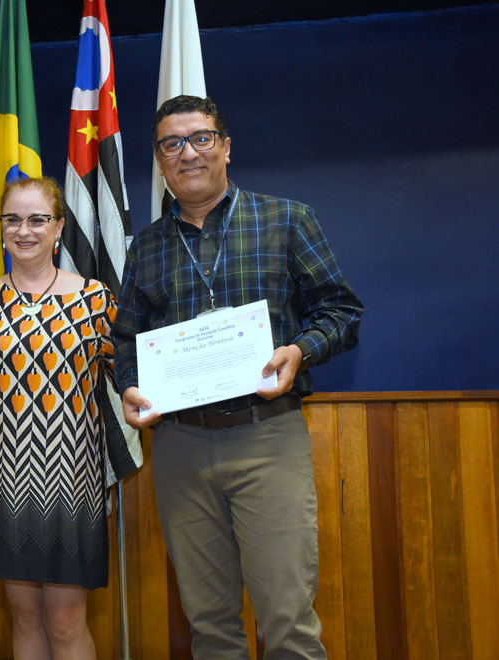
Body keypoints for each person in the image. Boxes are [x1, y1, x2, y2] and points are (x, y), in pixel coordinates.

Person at [114, 95, 363, 659]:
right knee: (210, 625)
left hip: (267, 437)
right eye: (171, 144)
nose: (188, 153)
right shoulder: (146, 248)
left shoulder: (287, 219)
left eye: (201, 138)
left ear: (226, 146)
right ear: (159, 161)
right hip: (179, 445)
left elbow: (342, 313)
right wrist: (129, 385)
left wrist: (299, 350)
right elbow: (125, 341)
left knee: (288, 621)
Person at [0, 177, 116, 659]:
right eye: (13, 220)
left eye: (38, 219)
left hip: (74, 490)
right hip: (6, 489)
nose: (25, 230)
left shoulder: (96, 302)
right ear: (0, 229)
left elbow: (132, 379)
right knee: (23, 618)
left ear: (59, 227)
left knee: (65, 623)